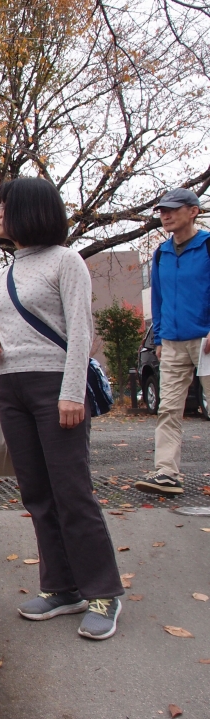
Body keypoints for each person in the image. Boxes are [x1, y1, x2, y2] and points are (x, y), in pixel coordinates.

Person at [0, 177, 123, 640]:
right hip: (11, 387)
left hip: (55, 386)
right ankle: (61, 587)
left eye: (4, 205)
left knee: (71, 491)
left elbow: (80, 331)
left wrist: (71, 392)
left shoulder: (66, 261)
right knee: (37, 494)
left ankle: (103, 592)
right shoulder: (6, 269)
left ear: (31, 210)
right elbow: (5, 328)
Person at [136, 188, 210, 498]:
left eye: (172, 210)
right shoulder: (161, 253)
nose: (165, 216)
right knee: (168, 408)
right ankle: (166, 472)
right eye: (162, 211)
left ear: (193, 211)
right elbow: (159, 298)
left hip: (206, 340)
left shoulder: (207, 245)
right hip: (173, 343)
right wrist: (160, 337)